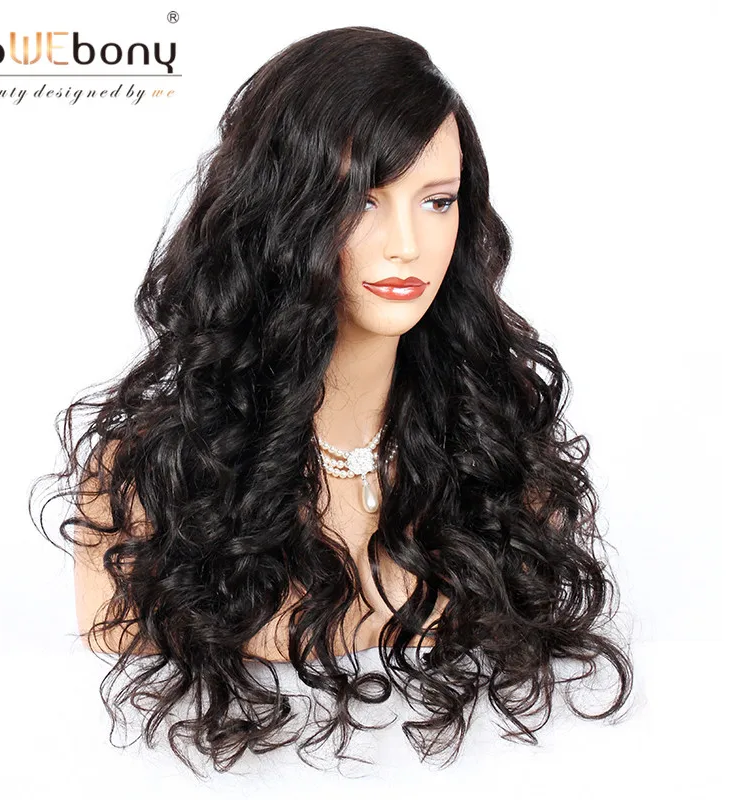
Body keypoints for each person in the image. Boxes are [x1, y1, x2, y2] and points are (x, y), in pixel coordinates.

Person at [31, 25, 633, 775]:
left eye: (437, 201)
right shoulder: (150, 488)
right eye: (363, 200)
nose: (408, 243)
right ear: (282, 209)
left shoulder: (499, 461)